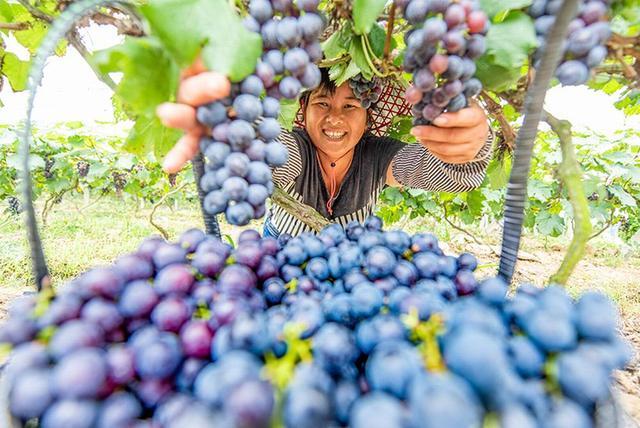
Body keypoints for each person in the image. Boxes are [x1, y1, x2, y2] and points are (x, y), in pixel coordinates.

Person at [157, 59, 493, 238]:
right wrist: (240, 125)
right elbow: (273, 154)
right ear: (303, 111)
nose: (335, 119)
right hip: (282, 257)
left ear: (368, 116)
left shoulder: (378, 156)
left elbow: (448, 174)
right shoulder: (297, 149)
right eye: (322, 103)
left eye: (350, 107)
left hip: (348, 262)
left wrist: (471, 145)